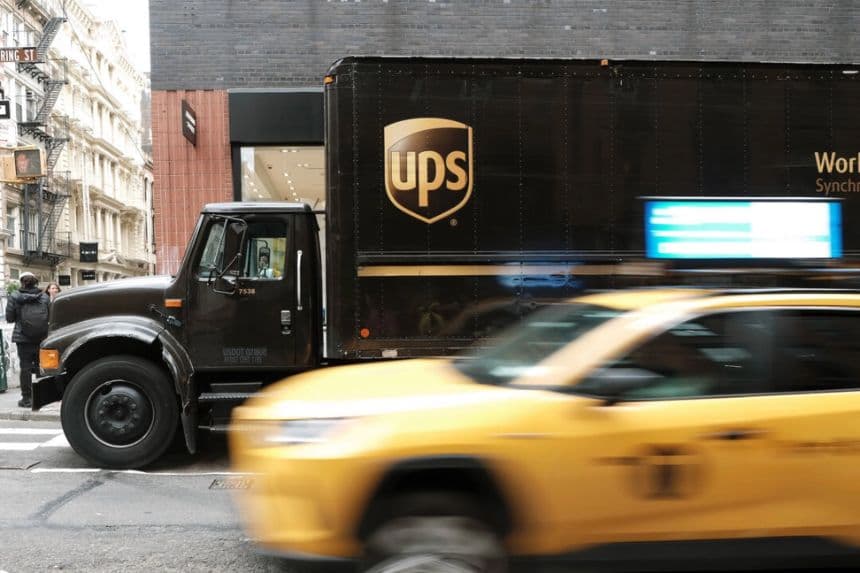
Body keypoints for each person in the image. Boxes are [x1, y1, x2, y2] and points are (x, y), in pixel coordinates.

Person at [5, 272, 50, 408]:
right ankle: (42, 397)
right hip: (42, 337)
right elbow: (51, 315)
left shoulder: (15, 296)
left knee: (25, 368)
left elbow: (10, 318)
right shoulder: (44, 296)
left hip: (22, 337)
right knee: (41, 367)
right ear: (36, 282)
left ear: (22, 282)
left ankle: (26, 399)